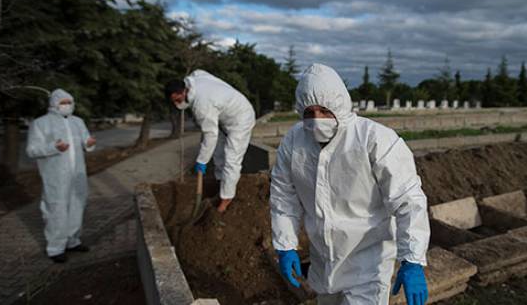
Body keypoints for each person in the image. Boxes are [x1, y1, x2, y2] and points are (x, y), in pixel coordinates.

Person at [270, 64, 430, 305]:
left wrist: (413, 261)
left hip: (367, 265)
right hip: (323, 264)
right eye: (308, 112)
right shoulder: (294, 140)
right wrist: (285, 244)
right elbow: (283, 196)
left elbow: (408, 200)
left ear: (339, 106)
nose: (317, 120)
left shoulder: (375, 140)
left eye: (324, 110)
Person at [165, 70, 256, 213]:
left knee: (232, 159)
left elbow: (210, 136)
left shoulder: (202, 106)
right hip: (223, 116)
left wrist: (201, 160)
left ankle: (226, 199)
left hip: (241, 117)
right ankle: (221, 186)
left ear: (183, 92)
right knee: (218, 153)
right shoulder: (194, 79)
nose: (177, 103)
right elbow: (199, 71)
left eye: (177, 100)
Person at [26, 89, 96, 263]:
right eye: (63, 102)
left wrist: (89, 144)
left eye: (69, 102)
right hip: (55, 176)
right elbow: (32, 150)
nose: (66, 106)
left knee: (77, 206)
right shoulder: (41, 123)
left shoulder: (78, 122)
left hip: (77, 173)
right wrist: (54, 148)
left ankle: (72, 241)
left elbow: (86, 142)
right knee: (56, 209)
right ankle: (55, 248)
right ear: (53, 104)